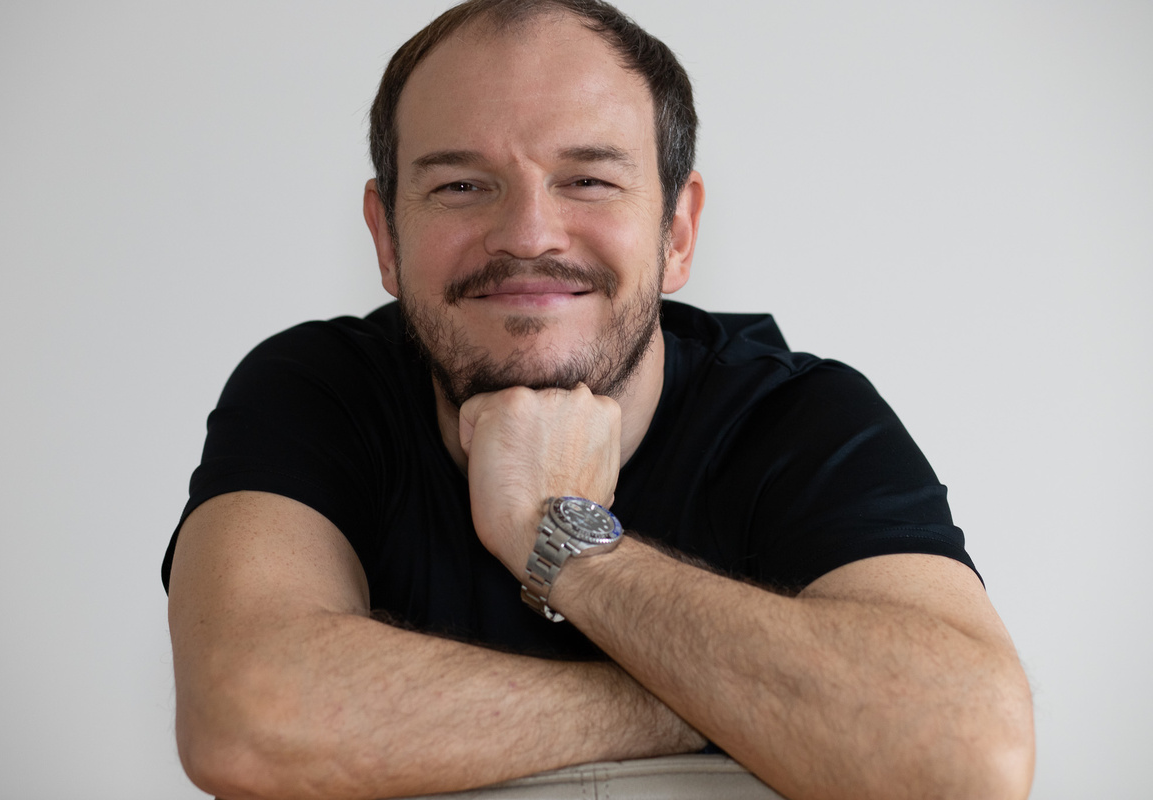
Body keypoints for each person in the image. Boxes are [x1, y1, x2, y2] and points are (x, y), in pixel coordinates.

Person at [162, 1, 1035, 798]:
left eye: (588, 179)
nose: (528, 235)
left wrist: (559, 538)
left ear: (677, 231)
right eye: (461, 184)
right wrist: (727, 699)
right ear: (387, 237)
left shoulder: (796, 418)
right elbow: (249, 718)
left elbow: (966, 757)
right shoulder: (318, 390)